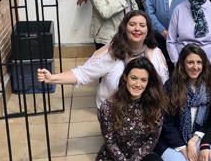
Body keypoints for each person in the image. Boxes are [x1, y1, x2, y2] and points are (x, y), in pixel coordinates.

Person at [37, 11, 169, 108]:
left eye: (142, 25)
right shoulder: (111, 53)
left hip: (145, 113)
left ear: (148, 30)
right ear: (124, 28)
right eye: (132, 24)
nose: (137, 29)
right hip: (114, 113)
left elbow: (163, 85)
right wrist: (52, 78)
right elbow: (83, 74)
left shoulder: (155, 54)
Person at [95, 57, 166, 161]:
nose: (138, 84)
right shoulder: (108, 106)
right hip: (112, 158)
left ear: (149, 82)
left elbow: (152, 140)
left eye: (143, 80)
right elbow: (110, 142)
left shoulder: (155, 105)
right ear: (125, 77)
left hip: (139, 156)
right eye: (134, 78)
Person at [156, 44, 211, 161]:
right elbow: (166, 124)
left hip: (195, 138)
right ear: (182, 64)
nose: (195, 67)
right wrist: (185, 150)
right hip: (173, 142)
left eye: (199, 62)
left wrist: (193, 141)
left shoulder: (210, 86)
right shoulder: (171, 86)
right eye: (190, 62)